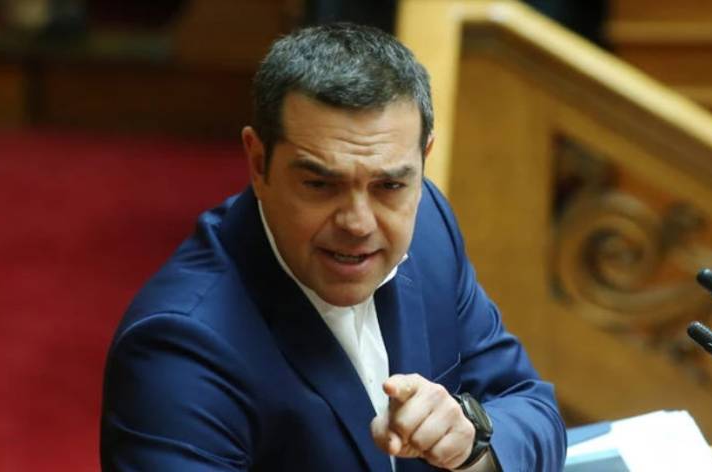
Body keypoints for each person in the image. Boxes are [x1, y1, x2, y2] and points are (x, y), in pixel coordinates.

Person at [100, 23, 566, 471]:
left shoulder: (430, 228)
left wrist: (470, 443)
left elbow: (531, 407)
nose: (358, 224)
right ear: (258, 163)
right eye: (320, 185)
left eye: (389, 185)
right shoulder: (180, 348)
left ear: (422, 161)